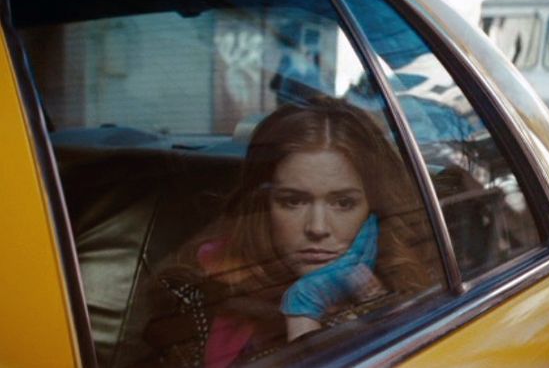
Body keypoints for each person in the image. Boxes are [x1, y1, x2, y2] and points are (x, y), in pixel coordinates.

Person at [130, 96, 439, 368]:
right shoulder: (196, 294)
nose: (317, 228)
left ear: (374, 212)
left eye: (343, 203)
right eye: (293, 201)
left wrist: (304, 313)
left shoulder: (401, 302)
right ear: (262, 205)